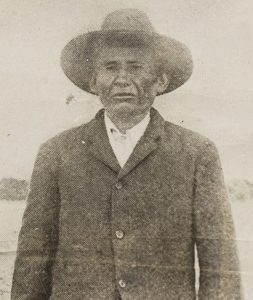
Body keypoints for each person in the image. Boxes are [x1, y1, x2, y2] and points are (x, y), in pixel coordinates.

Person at [11, 9, 243, 300]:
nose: (122, 79)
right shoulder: (56, 153)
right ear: (93, 82)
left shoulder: (197, 154)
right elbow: (33, 259)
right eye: (110, 67)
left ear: (161, 81)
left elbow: (220, 267)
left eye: (135, 67)